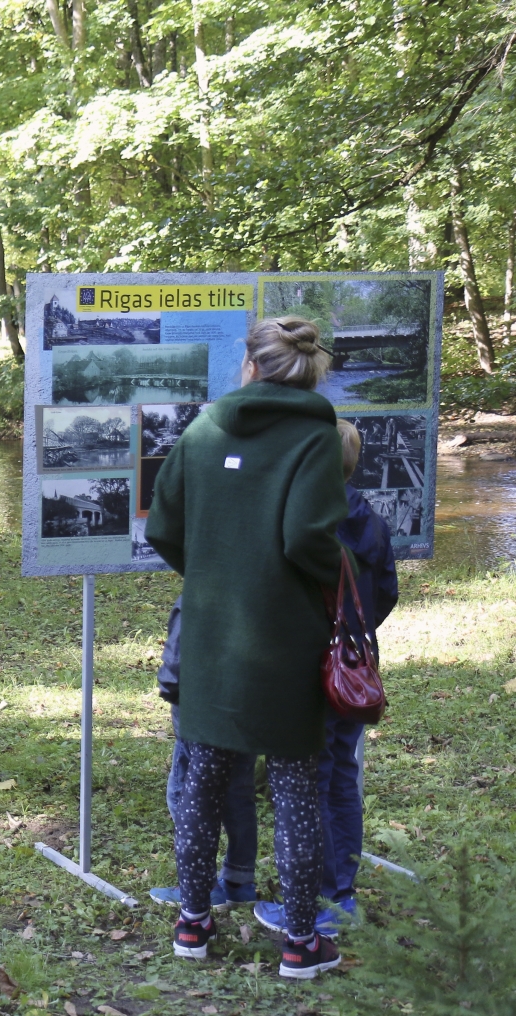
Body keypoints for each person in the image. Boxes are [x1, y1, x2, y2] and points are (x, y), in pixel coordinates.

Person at [146, 316, 350, 980]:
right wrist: (336, 570)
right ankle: (299, 942)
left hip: (210, 633)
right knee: (293, 785)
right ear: (307, 370)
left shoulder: (202, 431)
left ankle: (193, 925)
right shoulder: (317, 436)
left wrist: (212, 569)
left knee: (202, 779)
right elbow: (305, 538)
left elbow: (165, 528)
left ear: (252, 366)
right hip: (285, 636)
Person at [255, 419, 398, 939]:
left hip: (314, 670)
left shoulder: (308, 520)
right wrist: (355, 639)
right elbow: (384, 592)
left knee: (312, 781)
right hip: (355, 666)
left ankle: (320, 902)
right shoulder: (371, 519)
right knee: (340, 778)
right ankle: (343, 893)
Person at [148, 597, 260, 909]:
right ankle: (240, 880)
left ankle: (201, 886)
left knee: (184, 794)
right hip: (248, 704)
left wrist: (172, 690)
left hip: (201, 712)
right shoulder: (260, 578)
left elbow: (177, 658)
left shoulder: (202, 583)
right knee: (239, 790)